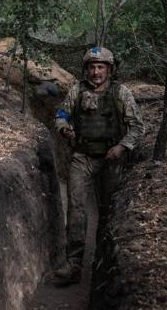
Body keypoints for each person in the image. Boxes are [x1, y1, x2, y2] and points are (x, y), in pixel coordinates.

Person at [51, 46, 144, 285]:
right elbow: (61, 114)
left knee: (108, 210)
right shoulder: (77, 91)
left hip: (110, 160)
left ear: (109, 69)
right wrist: (64, 127)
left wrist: (122, 147)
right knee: (76, 208)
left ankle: (102, 264)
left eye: (100, 67)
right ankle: (74, 264)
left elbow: (137, 127)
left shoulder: (121, 93)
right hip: (82, 157)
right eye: (92, 67)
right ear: (86, 70)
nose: (96, 72)